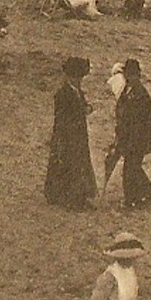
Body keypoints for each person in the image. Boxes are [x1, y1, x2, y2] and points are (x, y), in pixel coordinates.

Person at [45, 58, 98, 210]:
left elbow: (82, 105)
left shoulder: (76, 91)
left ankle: (76, 195)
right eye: (77, 77)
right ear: (70, 77)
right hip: (67, 134)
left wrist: (87, 108)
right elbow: (62, 117)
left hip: (78, 133)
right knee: (70, 163)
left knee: (78, 163)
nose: (79, 81)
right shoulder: (63, 94)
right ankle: (70, 198)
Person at [108, 59, 151, 209]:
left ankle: (132, 199)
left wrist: (144, 135)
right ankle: (148, 193)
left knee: (130, 168)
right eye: (129, 75)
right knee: (133, 167)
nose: (131, 78)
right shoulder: (127, 90)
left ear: (138, 75)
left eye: (133, 75)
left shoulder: (141, 94)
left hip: (138, 139)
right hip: (129, 137)